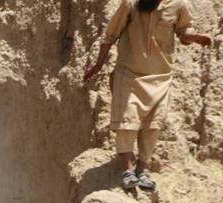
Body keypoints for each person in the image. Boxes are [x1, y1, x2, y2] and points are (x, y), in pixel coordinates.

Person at [83, 0, 212, 190]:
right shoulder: (130, 3)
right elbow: (110, 34)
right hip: (129, 74)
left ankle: (141, 170)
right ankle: (127, 170)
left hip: (160, 77)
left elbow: (184, 31)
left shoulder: (177, 5)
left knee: (153, 125)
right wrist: (98, 65)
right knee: (127, 121)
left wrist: (194, 37)